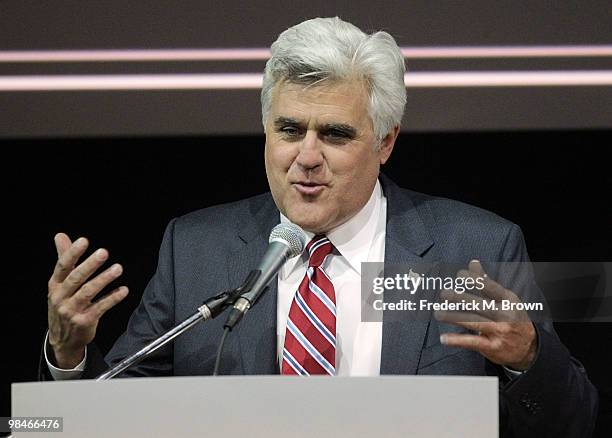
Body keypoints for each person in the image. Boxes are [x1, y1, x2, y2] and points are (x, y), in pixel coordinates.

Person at [42, 17, 597, 437]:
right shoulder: (196, 248)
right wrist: (67, 359)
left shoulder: (472, 246)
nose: (306, 157)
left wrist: (528, 358)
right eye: (289, 129)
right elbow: (101, 421)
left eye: (334, 134)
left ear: (385, 141)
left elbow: (576, 423)